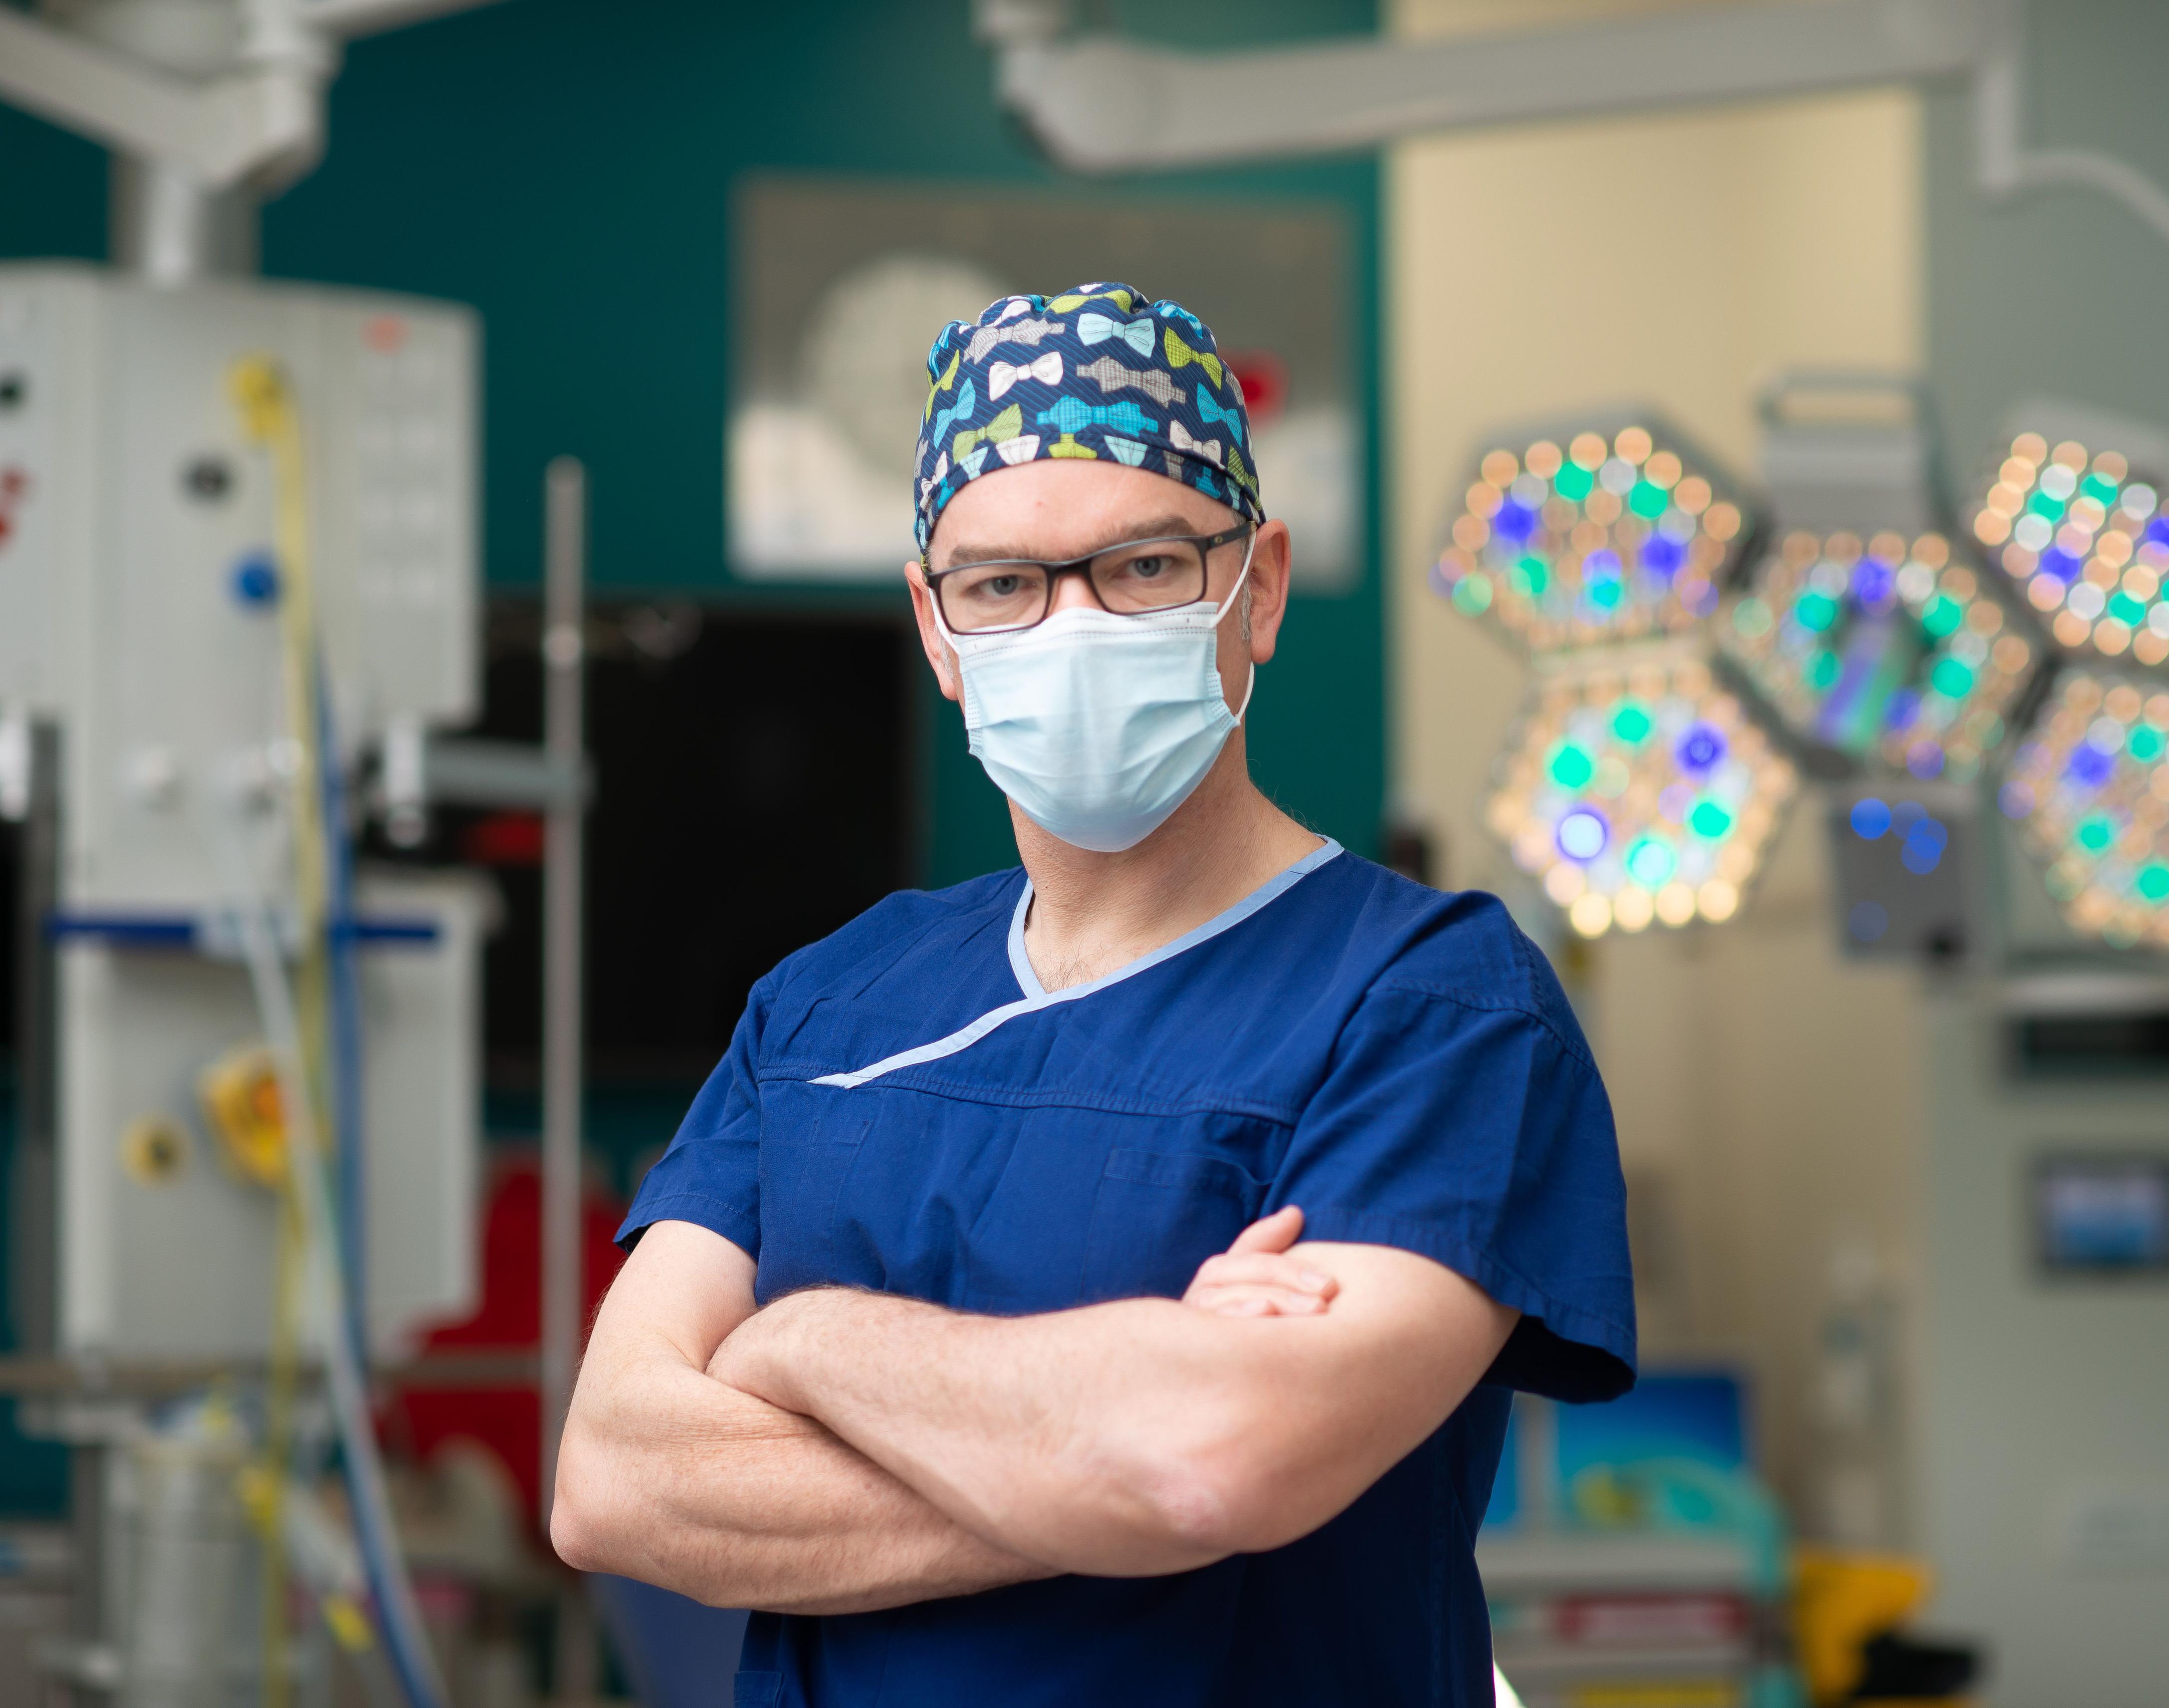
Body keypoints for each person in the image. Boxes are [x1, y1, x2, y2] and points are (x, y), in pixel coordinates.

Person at [552, 283, 1634, 1707]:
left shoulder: (1431, 1009)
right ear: (937, 633)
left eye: (1139, 569)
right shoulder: (826, 1010)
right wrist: (1100, 1449)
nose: (1067, 628)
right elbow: (614, 1482)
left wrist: (798, 1339)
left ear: (1261, 586)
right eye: (1001, 584)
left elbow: (1210, 1461)